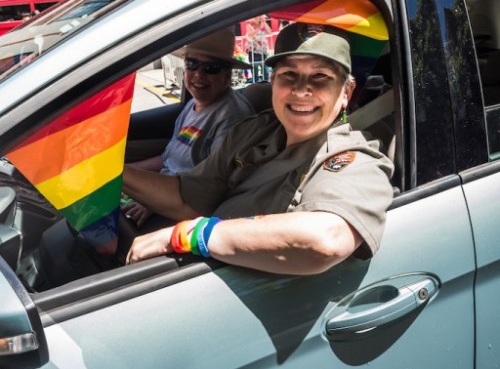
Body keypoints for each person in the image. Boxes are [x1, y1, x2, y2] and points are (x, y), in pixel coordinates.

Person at [123, 22, 395, 275]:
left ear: (346, 93)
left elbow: (327, 239)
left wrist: (191, 235)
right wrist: (110, 174)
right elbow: (187, 198)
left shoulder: (353, 158)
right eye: (289, 74)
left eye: (321, 77)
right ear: (272, 82)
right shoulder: (252, 131)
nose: (301, 90)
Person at [124, 28, 254, 226]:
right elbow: (168, 158)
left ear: (227, 76)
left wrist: (153, 202)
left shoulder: (232, 118)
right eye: (192, 64)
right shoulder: (193, 105)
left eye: (210, 68)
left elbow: (212, 187)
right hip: (165, 190)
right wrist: (125, 173)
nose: (198, 75)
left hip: (186, 209)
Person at [245, 14, 272, 82]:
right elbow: (252, 34)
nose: (257, 17)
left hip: (263, 51)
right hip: (254, 51)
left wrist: (264, 22)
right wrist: (260, 27)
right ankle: (256, 86)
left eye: (258, 16)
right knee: (255, 70)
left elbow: (269, 32)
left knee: (265, 70)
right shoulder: (249, 25)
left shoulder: (262, 25)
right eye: (255, 16)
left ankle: (266, 84)